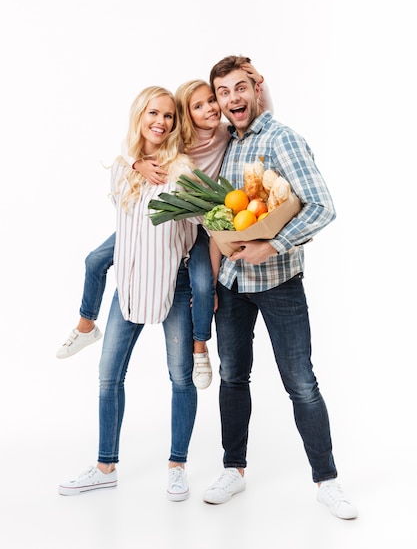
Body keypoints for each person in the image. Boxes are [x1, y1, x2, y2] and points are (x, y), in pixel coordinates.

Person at [202, 55, 358, 520]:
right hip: (231, 283)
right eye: (223, 93)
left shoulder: (283, 138)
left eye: (239, 88)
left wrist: (273, 244)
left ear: (256, 89)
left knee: (300, 382)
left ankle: (327, 481)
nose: (232, 99)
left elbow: (322, 206)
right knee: (233, 378)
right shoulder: (229, 144)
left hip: (278, 282)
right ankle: (234, 468)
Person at [56, 65, 272, 390]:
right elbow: (140, 146)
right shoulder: (181, 141)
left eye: (212, 101)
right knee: (95, 260)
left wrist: (260, 84)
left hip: (198, 226)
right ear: (187, 115)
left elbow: (260, 116)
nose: (210, 108)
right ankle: (86, 325)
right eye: (198, 106)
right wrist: (134, 162)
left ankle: (200, 347)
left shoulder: (228, 133)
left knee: (202, 285)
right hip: (165, 219)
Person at [59, 85, 201, 500]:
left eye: (169, 116)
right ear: (139, 116)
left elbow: (196, 224)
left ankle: (177, 465)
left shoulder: (183, 169)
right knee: (108, 377)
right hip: (130, 286)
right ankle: (105, 466)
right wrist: (136, 162)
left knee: (180, 377)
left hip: (174, 286)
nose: (161, 122)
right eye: (153, 114)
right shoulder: (124, 167)